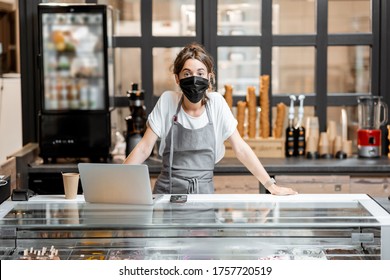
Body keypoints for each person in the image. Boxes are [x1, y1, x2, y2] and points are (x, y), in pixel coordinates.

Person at [123, 42, 297, 196]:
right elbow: (144, 148)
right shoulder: (168, 101)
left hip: (203, 196)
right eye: (187, 74)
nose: (194, 79)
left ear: (209, 77)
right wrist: (115, 181)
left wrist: (270, 186)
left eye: (200, 73)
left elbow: (241, 149)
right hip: (167, 194)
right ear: (177, 78)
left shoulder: (216, 104)